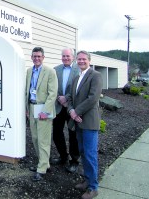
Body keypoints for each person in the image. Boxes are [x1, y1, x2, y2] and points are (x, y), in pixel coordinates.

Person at [67, 50, 102, 199]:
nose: (81, 61)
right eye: (79, 59)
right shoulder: (76, 78)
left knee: (90, 154)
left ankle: (93, 187)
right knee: (82, 152)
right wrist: (71, 111)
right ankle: (87, 181)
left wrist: (77, 112)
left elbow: (93, 98)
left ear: (89, 60)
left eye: (84, 59)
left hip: (88, 121)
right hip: (77, 121)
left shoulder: (96, 76)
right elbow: (70, 98)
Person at [25, 47, 58, 182]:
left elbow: (53, 93)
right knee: (35, 138)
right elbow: (27, 91)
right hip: (32, 107)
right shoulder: (28, 71)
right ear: (31, 57)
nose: (36, 58)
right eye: (34, 56)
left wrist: (45, 111)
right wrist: (26, 108)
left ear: (43, 57)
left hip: (43, 108)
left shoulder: (50, 72)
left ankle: (42, 168)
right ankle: (44, 163)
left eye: (39, 56)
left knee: (43, 140)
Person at [51, 48, 80, 173]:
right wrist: (59, 97)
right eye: (63, 56)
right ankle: (63, 157)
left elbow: (78, 88)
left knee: (73, 135)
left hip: (72, 107)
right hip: (58, 106)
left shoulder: (78, 70)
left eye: (68, 56)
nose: (65, 58)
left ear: (73, 57)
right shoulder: (56, 69)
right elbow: (52, 85)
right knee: (57, 133)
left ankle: (74, 161)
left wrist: (66, 98)